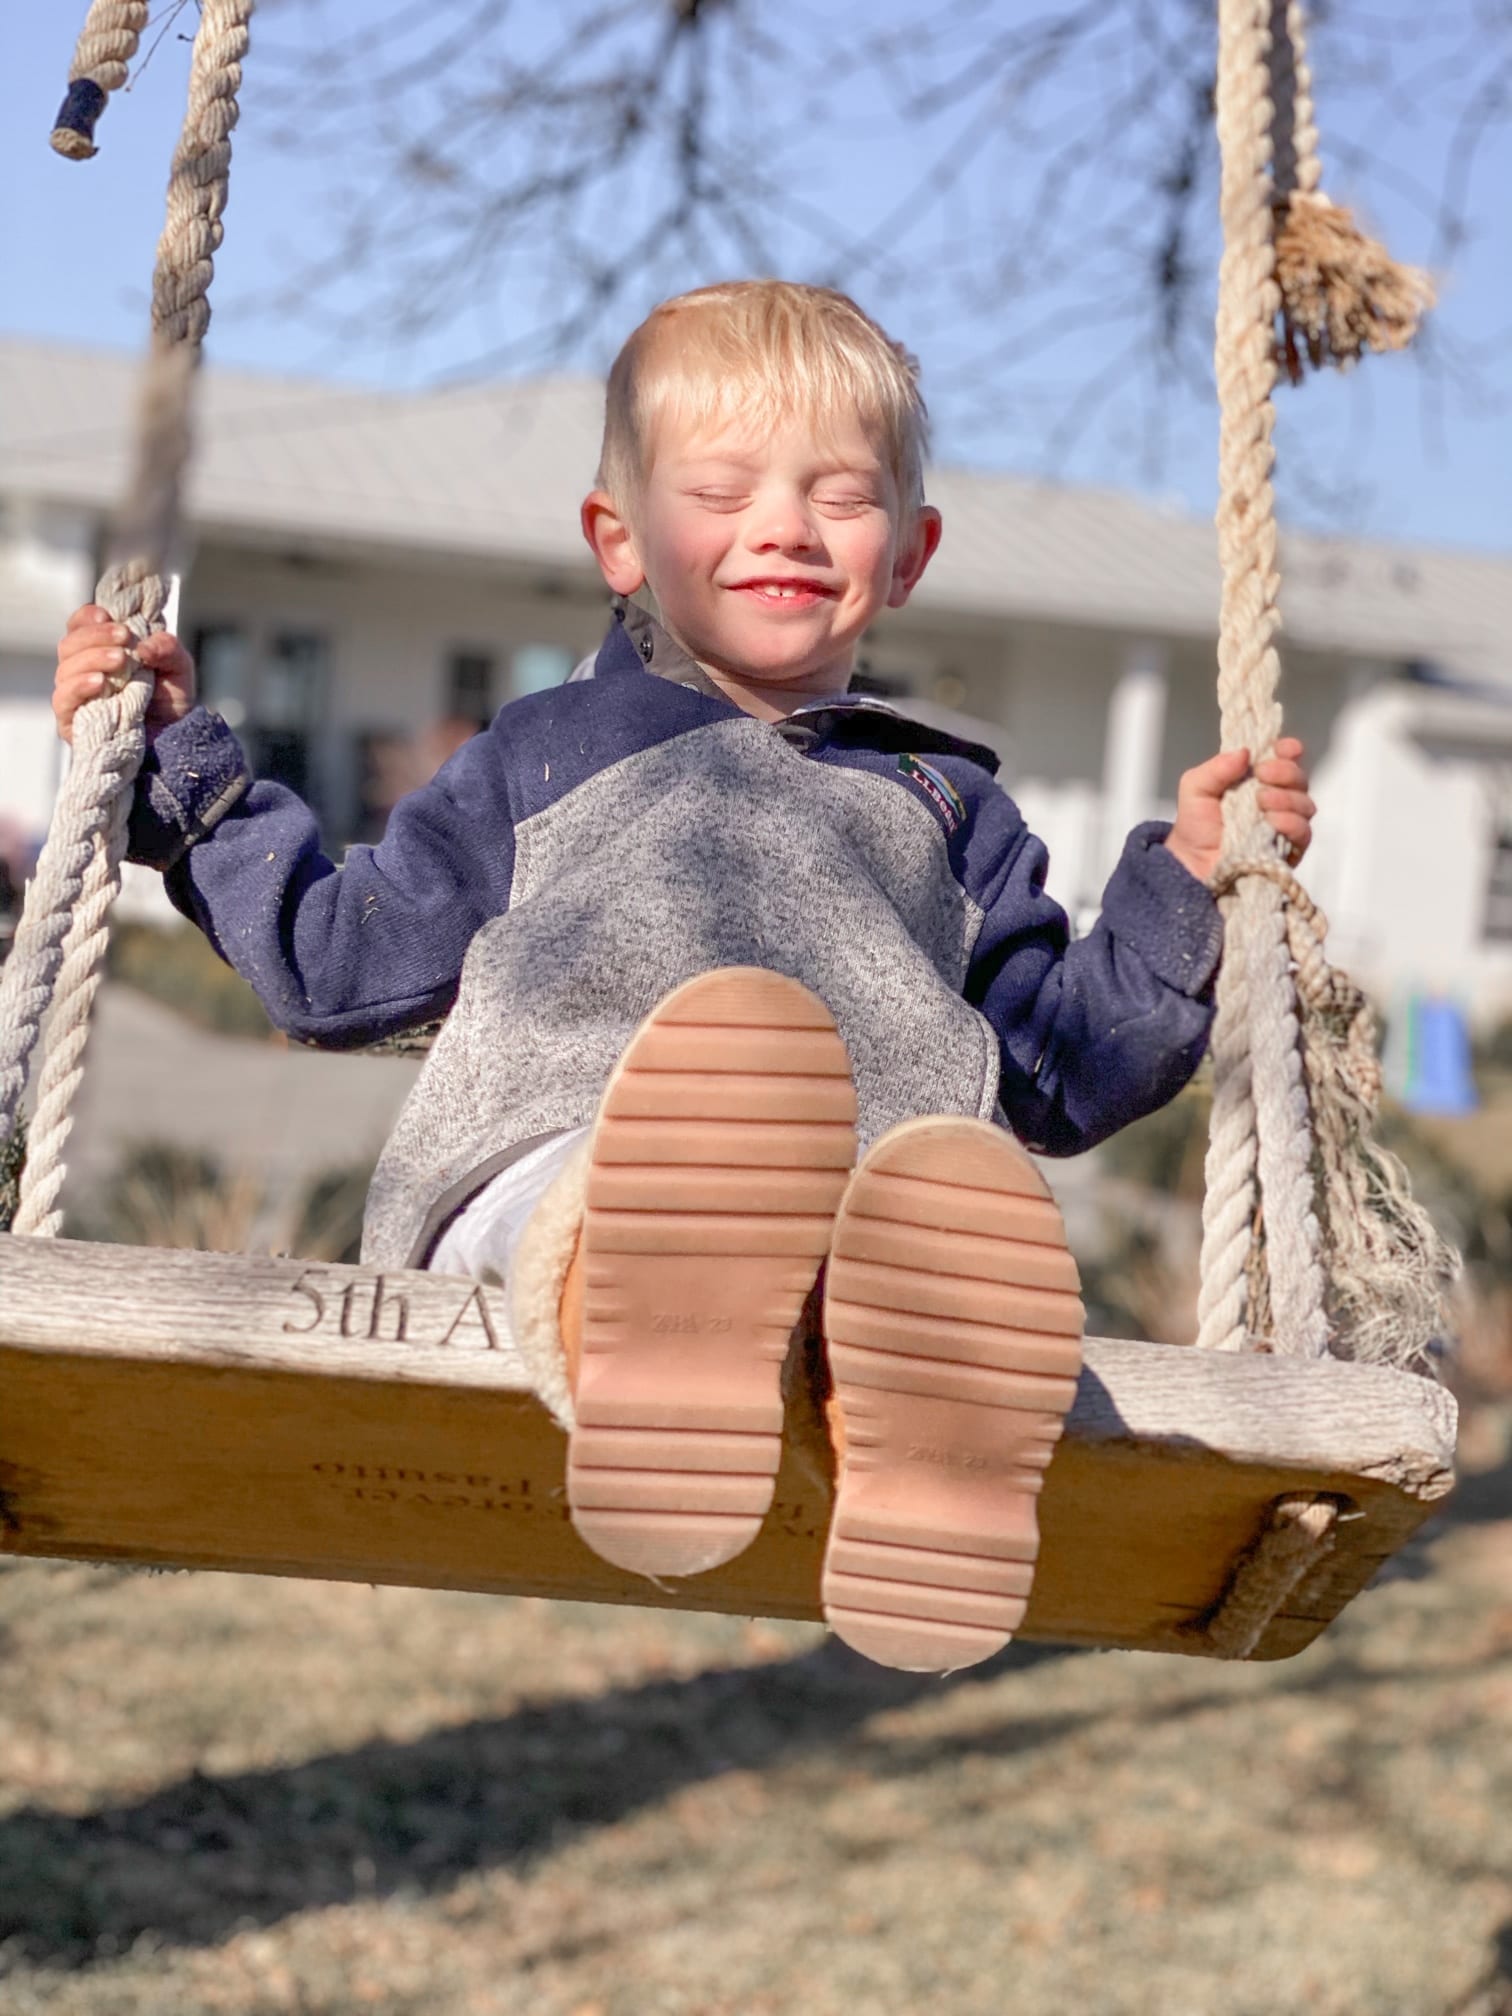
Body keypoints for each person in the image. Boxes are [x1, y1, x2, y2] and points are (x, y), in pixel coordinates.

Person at [52, 281, 1314, 1673]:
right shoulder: (543, 754)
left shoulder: (957, 814)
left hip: (862, 1209)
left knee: (930, 1204)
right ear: (622, 541)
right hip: (546, 1164)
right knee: (633, 1172)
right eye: (722, 489)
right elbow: (336, 963)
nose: (783, 524)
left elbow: (1060, 1071)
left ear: (909, 554)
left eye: (839, 496)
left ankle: (913, 1433)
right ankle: (670, 1306)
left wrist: (1183, 883)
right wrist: (186, 779)